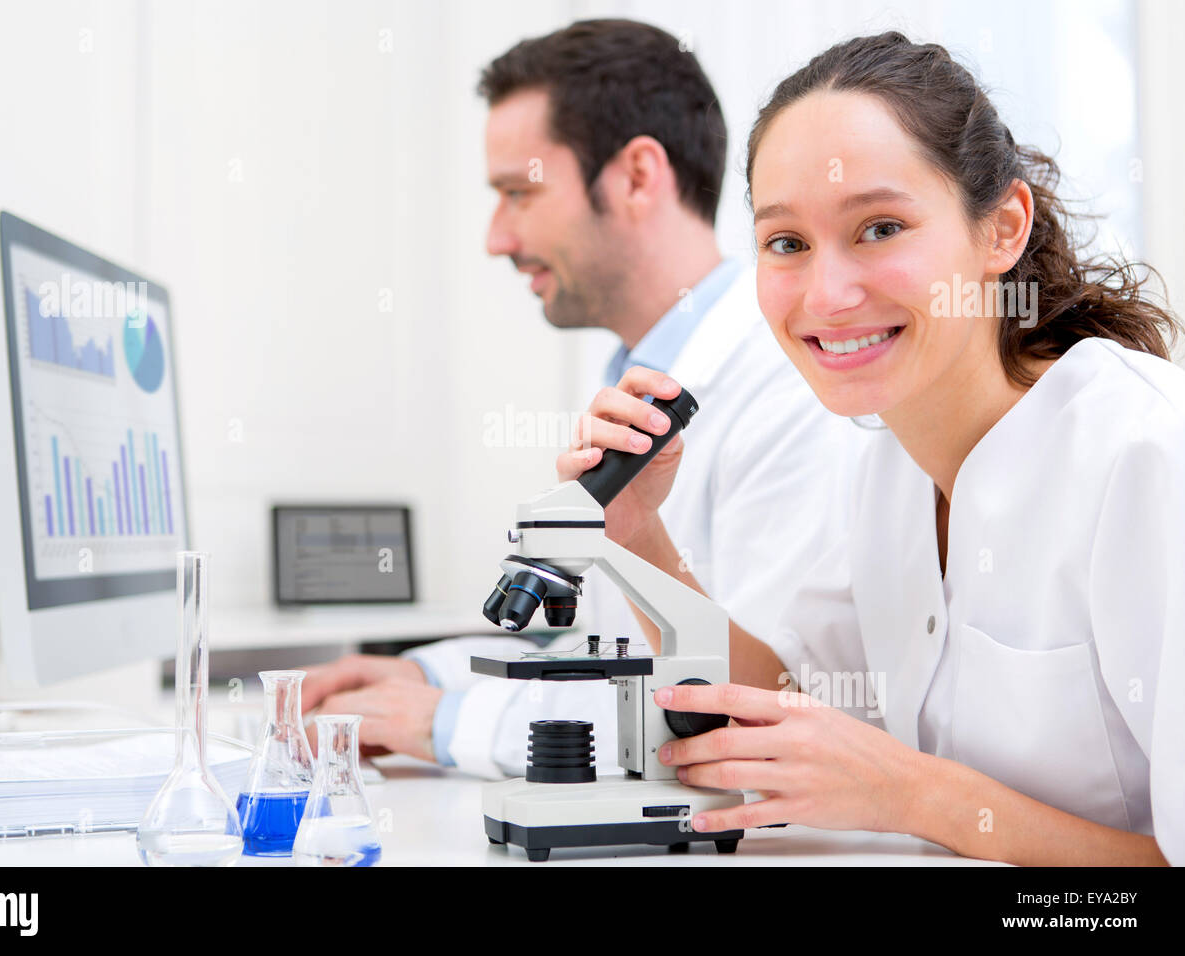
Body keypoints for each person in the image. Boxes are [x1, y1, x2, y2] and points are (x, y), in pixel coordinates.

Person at [562, 32, 1185, 866]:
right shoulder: (887, 460)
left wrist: (913, 794)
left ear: (1002, 229)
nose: (828, 294)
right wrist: (639, 539)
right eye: (787, 243)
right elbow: (780, 705)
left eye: (881, 227)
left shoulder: (1143, 458)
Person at [298, 19, 863, 778]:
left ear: (634, 176)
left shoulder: (795, 388)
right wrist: (430, 675)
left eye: (518, 193)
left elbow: (749, 700)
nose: (497, 237)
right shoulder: (640, 370)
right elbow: (616, 650)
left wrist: (448, 722)